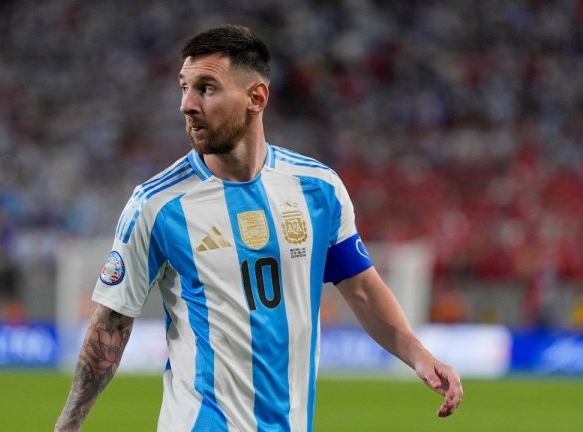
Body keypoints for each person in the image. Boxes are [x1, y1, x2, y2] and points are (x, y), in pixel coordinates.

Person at [54, 24, 463, 432]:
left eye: (207, 88)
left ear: (256, 97)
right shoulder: (157, 204)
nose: (187, 105)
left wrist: (419, 355)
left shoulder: (318, 189)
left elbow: (361, 288)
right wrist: (68, 425)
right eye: (184, 88)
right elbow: (112, 323)